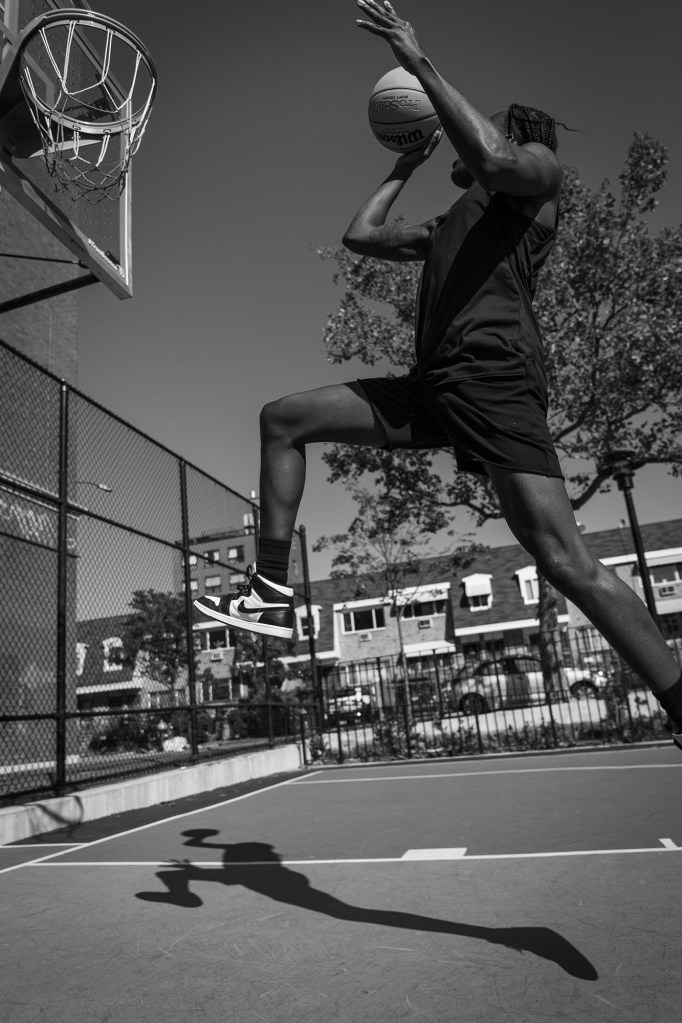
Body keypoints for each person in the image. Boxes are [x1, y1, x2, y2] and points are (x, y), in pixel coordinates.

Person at [194, 0, 682, 749]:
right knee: (282, 418)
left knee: (562, 560)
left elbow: (494, 158)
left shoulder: (536, 180)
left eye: (482, 121)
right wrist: (403, 165)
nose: (463, 128)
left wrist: (418, 63)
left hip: (494, 378)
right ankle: (269, 588)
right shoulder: (452, 221)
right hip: (434, 385)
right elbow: (360, 237)